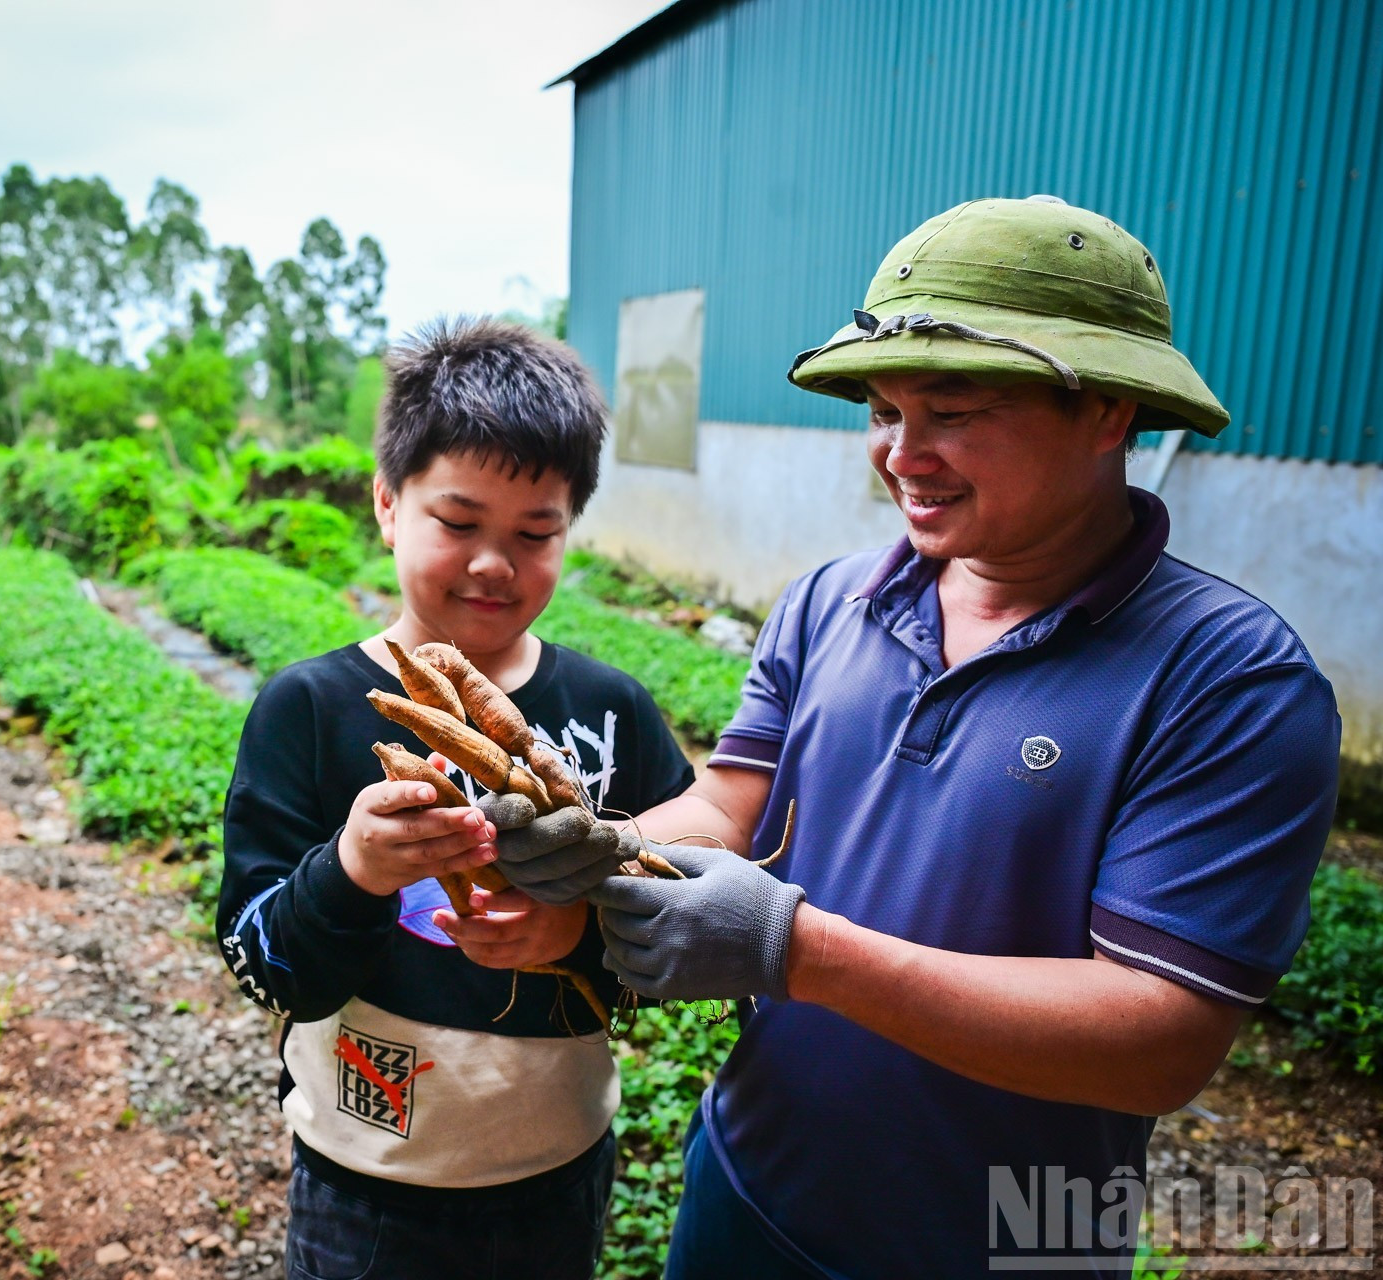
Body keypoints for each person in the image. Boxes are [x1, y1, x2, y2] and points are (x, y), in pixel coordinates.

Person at [483, 197, 1342, 1278]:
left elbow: (1160, 1036)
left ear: (1111, 410)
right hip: (751, 1183)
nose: (903, 454)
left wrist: (799, 949)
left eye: (953, 407)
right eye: (884, 409)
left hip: (1005, 1248)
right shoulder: (829, 601)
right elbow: (733, 805)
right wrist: (599, 845)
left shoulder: (1227, 678)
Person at [217, 316, 696, 1279]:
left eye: (535, 532)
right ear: (389, 505)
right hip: (366, 1176)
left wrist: (575, 937)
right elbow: (261, 959)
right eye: (458, 521)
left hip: (557, 1169)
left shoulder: (613, 711)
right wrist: (352, 871)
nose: (494, 562)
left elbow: (679, 922)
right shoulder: (307, 711)